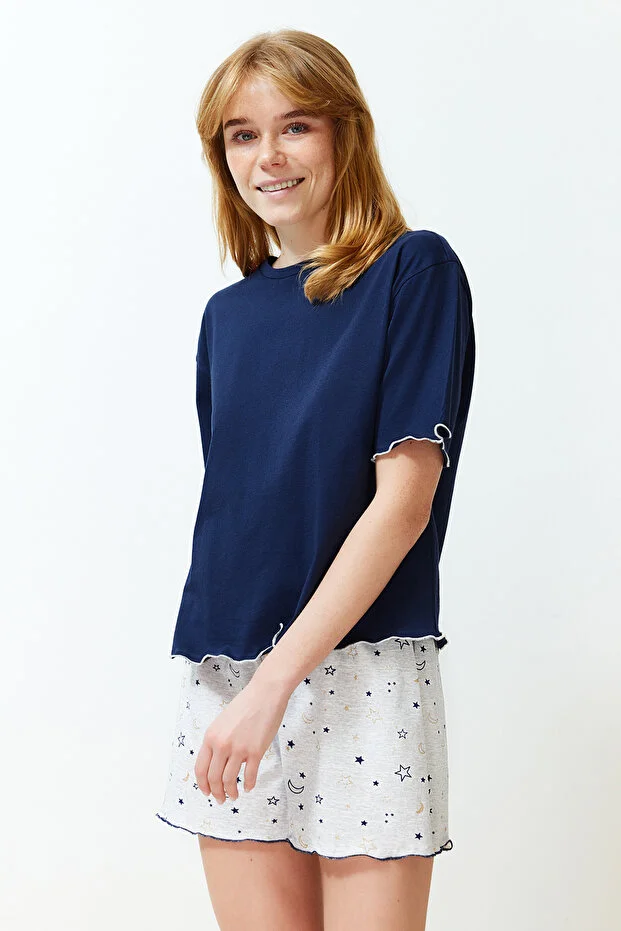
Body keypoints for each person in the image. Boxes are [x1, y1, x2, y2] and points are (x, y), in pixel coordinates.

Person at [156, 28, 476, 931]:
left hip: (363, 669)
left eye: (294, 125)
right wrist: (247, 687)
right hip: (229, 666)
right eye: (242, 134)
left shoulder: (413, 271)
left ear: (344, 132)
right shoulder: (227, 316)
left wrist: (274, 686)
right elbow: (246, 510)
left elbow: (401, 505)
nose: (268, 155)